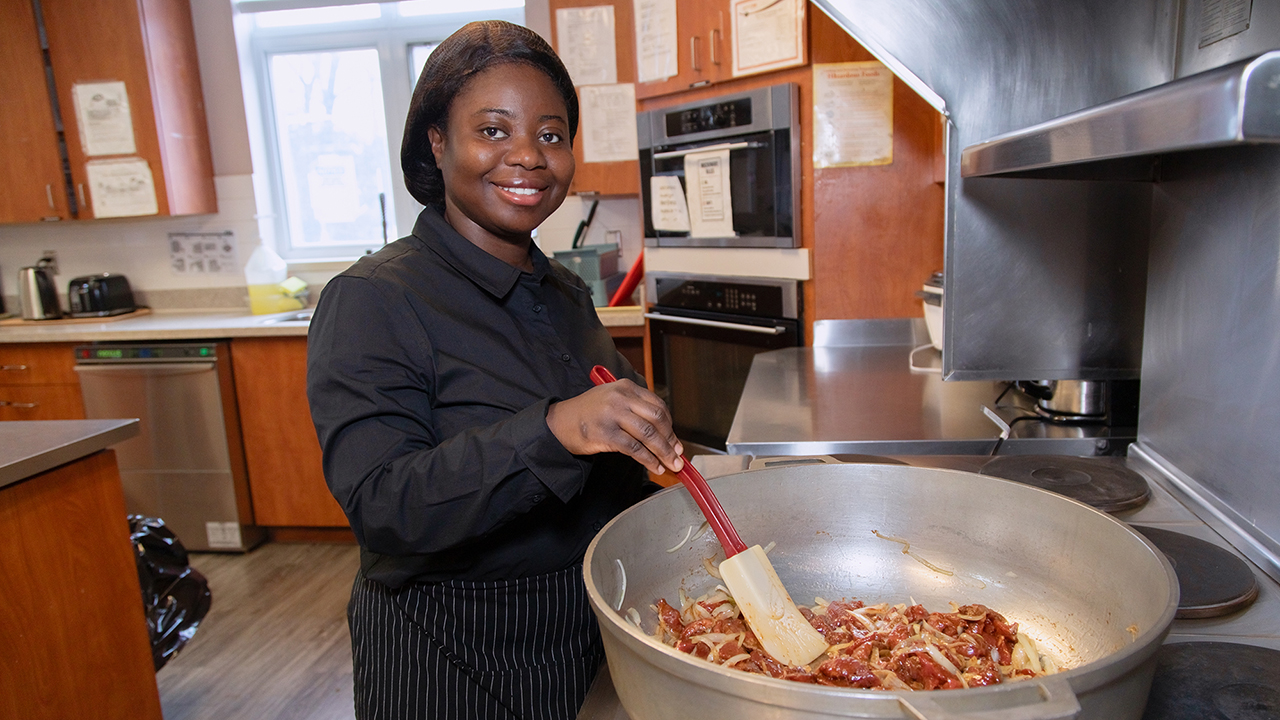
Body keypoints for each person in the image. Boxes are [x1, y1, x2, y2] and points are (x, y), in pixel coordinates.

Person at [306, 20, 684, 720]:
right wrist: (553, 431)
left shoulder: (564, 292)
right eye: (492, 130)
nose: (528, 157)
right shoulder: (375, 298)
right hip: (450, 652)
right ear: (438, 142)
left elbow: (613, 459)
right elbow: (384, 507)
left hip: (579, 632)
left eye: (550, 135)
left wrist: (674, 465)